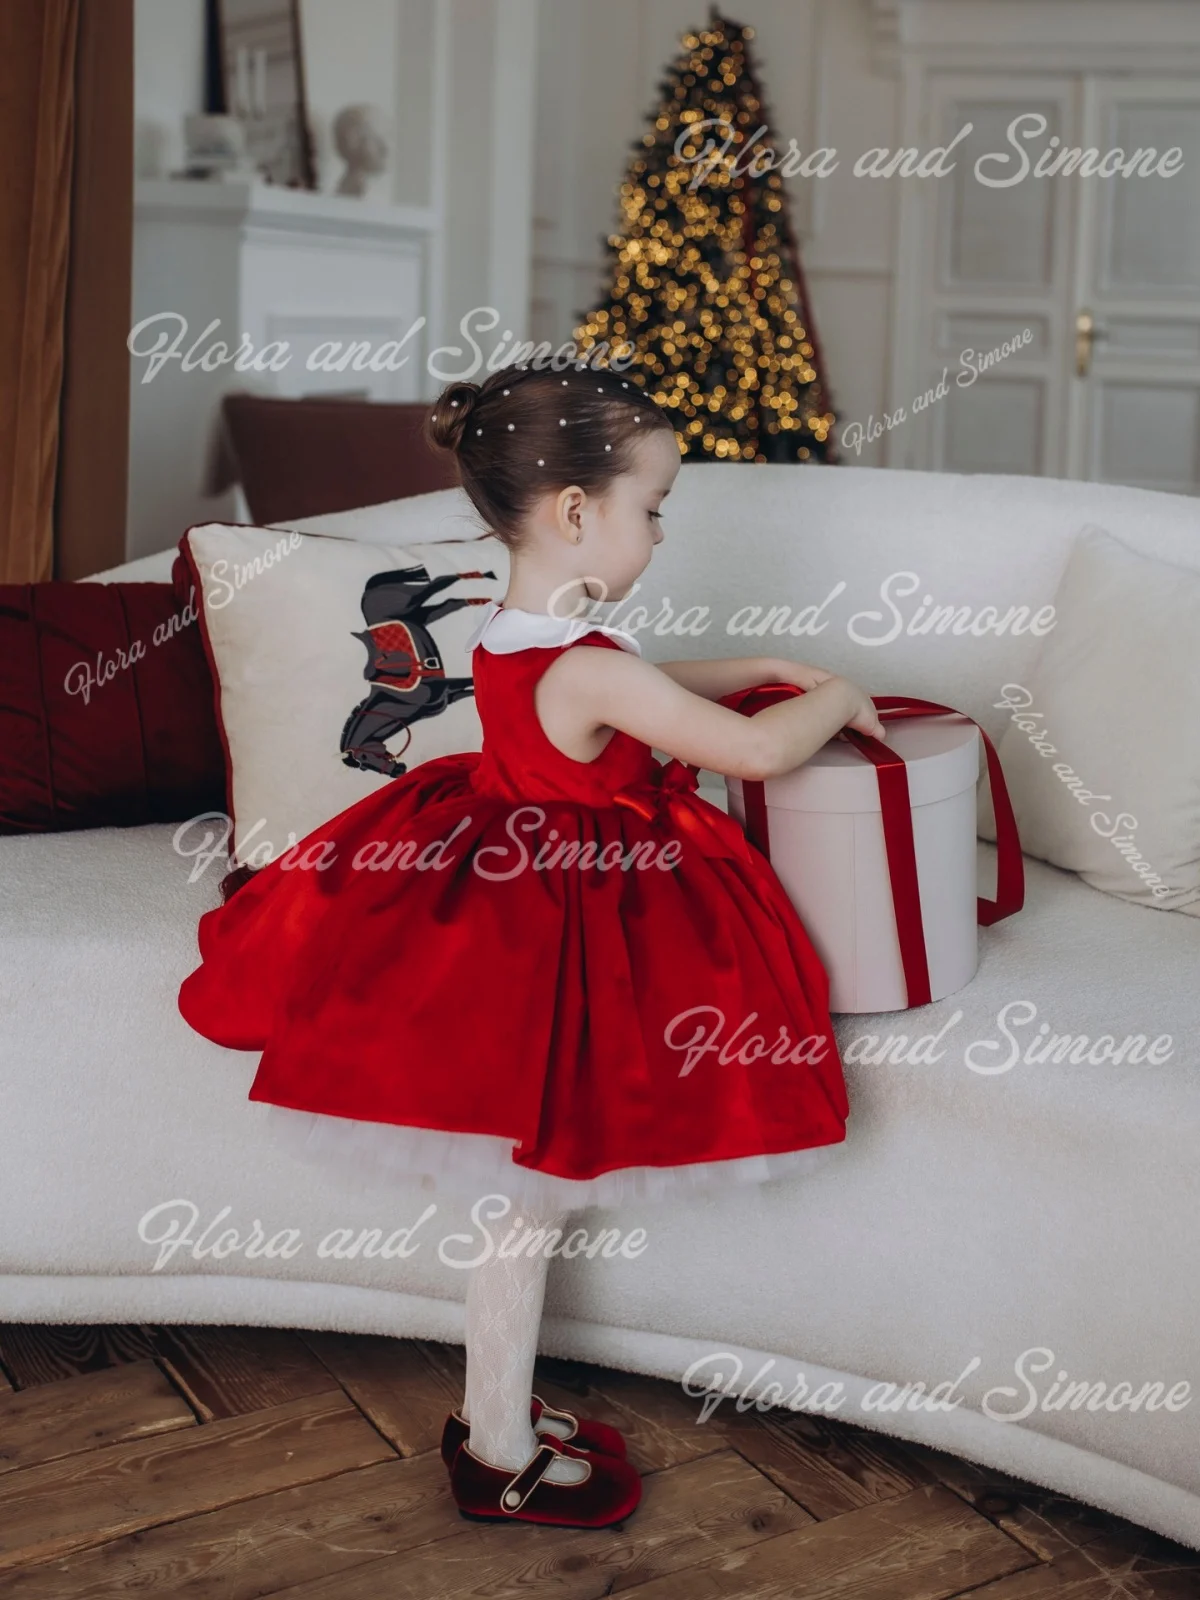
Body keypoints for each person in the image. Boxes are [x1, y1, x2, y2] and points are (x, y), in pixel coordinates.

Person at [178, 362, 886, 1529]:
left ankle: (497, 1415)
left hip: (512, 896)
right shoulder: (588, 661)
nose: (659, 531)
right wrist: (837, 693)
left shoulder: (524, 632)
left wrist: (758, 667)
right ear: (574, 512)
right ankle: (496, 1446)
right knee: (529, 1203)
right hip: (567, 927)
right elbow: (751, 754)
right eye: (651, 507)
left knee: (529, 1199)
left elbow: (636, 688)